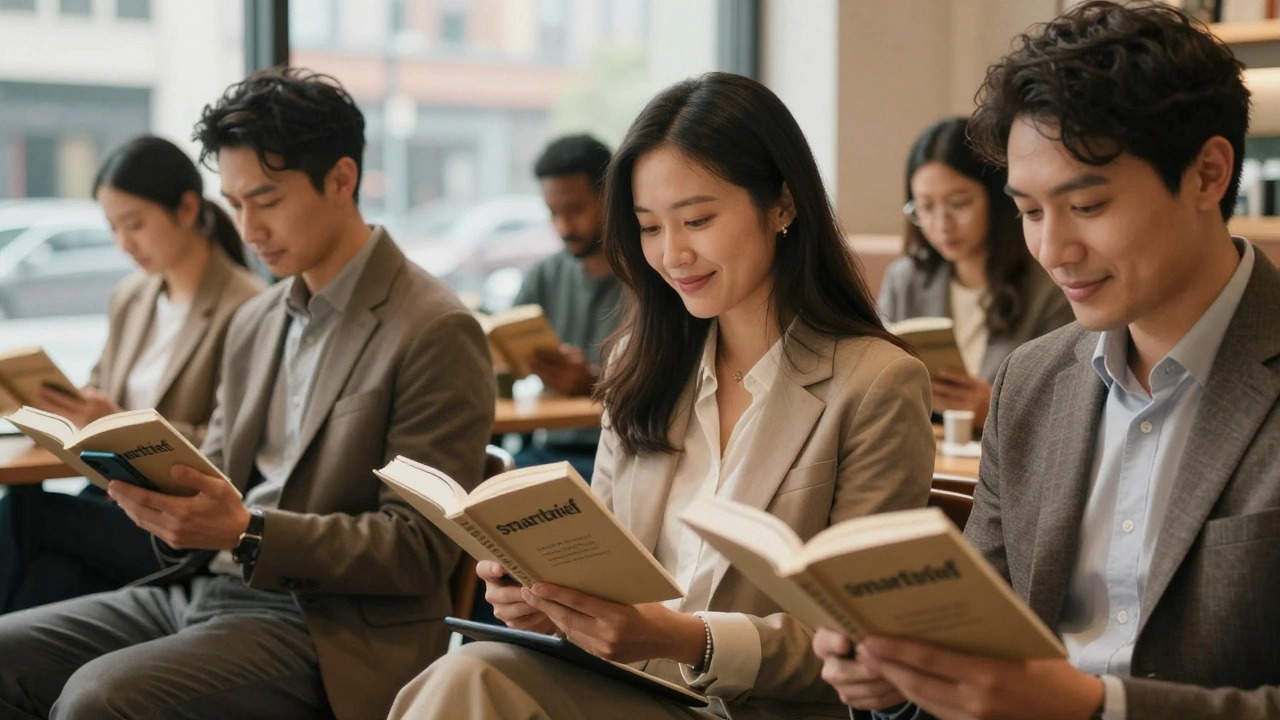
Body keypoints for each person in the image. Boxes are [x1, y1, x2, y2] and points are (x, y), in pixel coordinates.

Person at [388, 71, 936, 720]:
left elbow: (866, 648)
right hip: (621, 689)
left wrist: (684, 638)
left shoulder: (874, 384)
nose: (673, 254)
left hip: (749, 708)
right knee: (471, 672)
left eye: (698, 219)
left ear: (783, 205)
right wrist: (554, 607)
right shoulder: (642, 366)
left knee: (473, 680)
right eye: (649, 227)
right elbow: (608, 570)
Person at [816, 3, 1280, 719]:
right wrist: (900, 678)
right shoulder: (1031, 382)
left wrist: (1095, 707)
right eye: (1029, 211)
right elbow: (983, 643)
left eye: (1087, 206)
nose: (1053, 251)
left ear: (1208, 174)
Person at [0, 67, 495, 720]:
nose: (248, 227)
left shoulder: (433, 327)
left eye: (266, 200)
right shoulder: (256, 322)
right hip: (207, 589)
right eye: (234, 204)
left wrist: (249, 531)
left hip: (328, 627)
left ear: (342, 180)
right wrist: (163, 503)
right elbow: (216, 476)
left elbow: (417, 549)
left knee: (98, 700)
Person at [0, 135, 264, 613]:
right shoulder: (132, 297)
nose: (124, 244)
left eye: (135, 224)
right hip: (112, 504)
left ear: (186, 209)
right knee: (51, 575)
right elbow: (98, 390)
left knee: (24, 512)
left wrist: (119, 418)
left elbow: (239, 447)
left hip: (176, 523)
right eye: (114, 228)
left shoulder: (246, 307)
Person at [879, 117, 1072, 426]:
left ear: (997, 199)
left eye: (959, 203)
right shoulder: (906, 280)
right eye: (925, 208)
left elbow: (1067, 408)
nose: (942, 224)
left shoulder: (1049, 289)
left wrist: (992, 410)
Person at [512, 134, 623, 482]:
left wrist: (594, 383)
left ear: (610, 196)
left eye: (575, 209)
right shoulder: (544, 276)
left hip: (619, 451)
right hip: (548, 450)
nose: (563, 226)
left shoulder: (651, 281)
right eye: (553, 213)